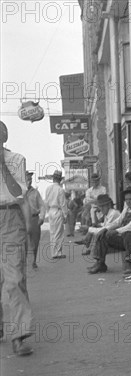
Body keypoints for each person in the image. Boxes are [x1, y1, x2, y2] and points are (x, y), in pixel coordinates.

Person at [0, 120, 34, 355]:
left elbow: (17, 193)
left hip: (10, 218)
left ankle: (19, 335)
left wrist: (2, 165)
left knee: (14, 279)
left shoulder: (16, 160)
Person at [87, 187, 131, 275]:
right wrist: (106, 229)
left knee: (129, 234)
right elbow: (118, 221)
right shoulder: (126, 209)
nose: (128, 201)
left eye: (130, 199)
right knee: (103, 235)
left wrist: (116, 231)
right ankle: (100, 263)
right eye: (126, 199)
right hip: (126, 240)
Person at [24, 170, 46, 269]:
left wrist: (41, 217)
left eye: (31, 179)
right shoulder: (18, 191)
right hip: (22, 220)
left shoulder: (35, 192)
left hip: (34, 219)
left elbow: (42, 206)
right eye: (28, 178)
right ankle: (24, 262)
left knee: (35, 241)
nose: (30, 180)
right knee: (23, 242)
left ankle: (33, 261)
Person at [44, 169, 68, 259]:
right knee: (59, 232)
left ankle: (53, 252)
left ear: (53, 179)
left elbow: (46, 202)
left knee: (53, 232)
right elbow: (63, 204)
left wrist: (48, 211)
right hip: (57, 211)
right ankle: (57, 253)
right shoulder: (60, 189)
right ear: (60, 179)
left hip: (50, 211)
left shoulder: (48, 189)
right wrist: (65, 215)